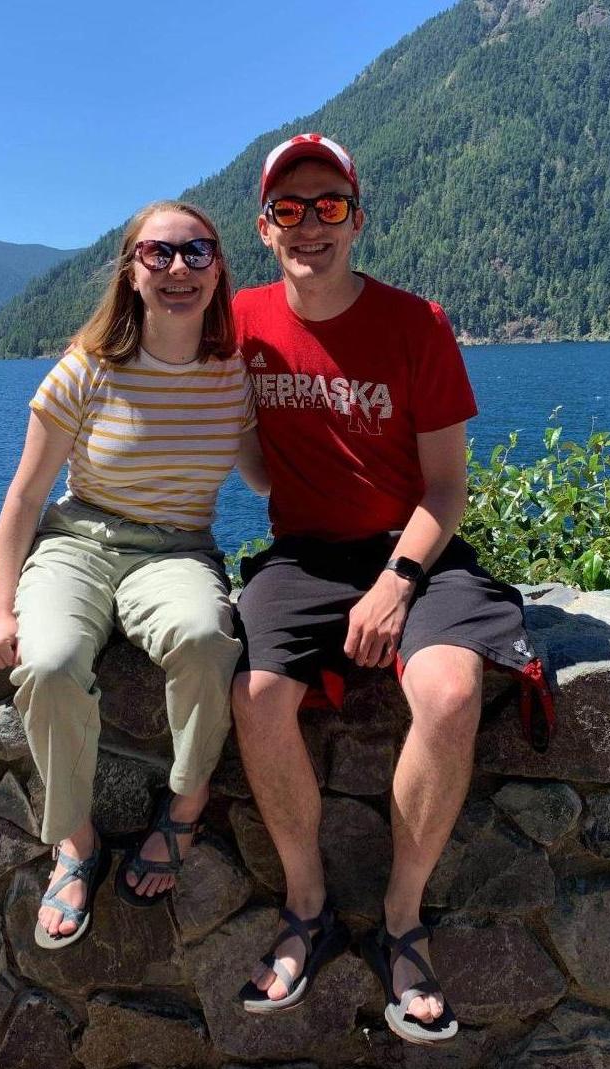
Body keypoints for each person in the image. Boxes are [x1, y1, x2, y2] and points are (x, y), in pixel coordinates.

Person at [231, 134, 550, 1043]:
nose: (309, 224)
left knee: (448, 691)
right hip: (303, 555)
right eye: (289, 209)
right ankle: (307, 906)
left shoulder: (416, 324)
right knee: (253, 694)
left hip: (414, 549)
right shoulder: (244, 321)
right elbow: (254, 474)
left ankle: (403, 923)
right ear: (264, 228)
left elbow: (446, 489)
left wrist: (397, 580)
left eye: (328, 205)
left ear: (358, 220)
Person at [0, 200, 267, 950]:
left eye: (197, 253)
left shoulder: (232, 375)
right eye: (158, 254)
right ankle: (75, 843)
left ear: (219, 268)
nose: (178, 269)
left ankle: (184, 805)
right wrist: (0, 608)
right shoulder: (87, 369)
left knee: (207, 636)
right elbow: (26, 496)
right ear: (130, 271)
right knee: (46, 663)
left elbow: (268, 479)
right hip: (78, 543)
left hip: (175, 551)